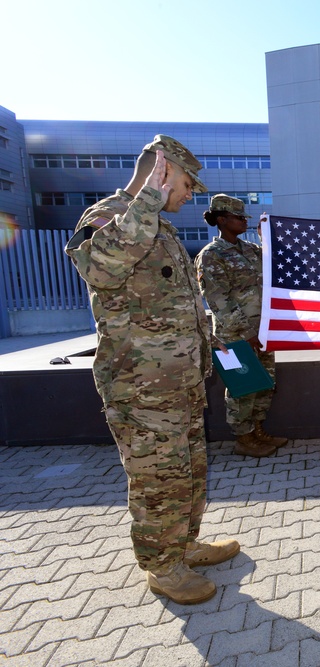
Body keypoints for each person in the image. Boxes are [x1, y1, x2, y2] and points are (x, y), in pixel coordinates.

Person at [64, 136, 239, 605]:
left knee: (188, 470)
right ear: (160, 171)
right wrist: (146, 203)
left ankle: (183, 546)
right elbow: (101, 269)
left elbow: (176, 303)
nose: (189, 194)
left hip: (180, 381)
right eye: (185, 184)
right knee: (157, 479)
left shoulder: (160, 228)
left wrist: (211, 342)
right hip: (139, 388)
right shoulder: (107, 217)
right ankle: (162, 568)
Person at [196, 195, 287, 457]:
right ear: (222, 220)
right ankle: (243, 438)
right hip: (234, 335)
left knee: (264, 382)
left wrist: (266, 236)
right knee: (243, 385)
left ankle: (258, 430)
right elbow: (217, 299)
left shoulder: (250, 250)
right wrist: (246, 332)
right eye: (239, 217)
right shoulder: (212, 256)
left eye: (245, 217)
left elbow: (274, 266)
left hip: (262, 332)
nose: (244, 221)